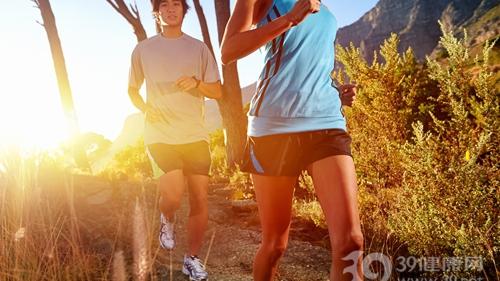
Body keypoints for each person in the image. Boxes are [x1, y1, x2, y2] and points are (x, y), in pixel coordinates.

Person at [221, 0, 363, 280]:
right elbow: (229, 51)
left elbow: (308, 59)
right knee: (275, 245)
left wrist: (334, 90)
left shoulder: (323, 6)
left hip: (326, 122)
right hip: (273, 129)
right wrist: (289, 19)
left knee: (351, 243)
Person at [127, 0, 221, 280]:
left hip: (194, 134)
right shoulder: (143, 49)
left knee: (200, 198)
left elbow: (217, 91)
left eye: (176, 4)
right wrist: (145, 108)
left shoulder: (199, 48)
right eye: (164, 4)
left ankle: (191, 260)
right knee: (173, 193)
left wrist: (197, 83)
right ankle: (167, 218)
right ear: (156, 12)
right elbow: (132, 90)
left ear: (184, 10)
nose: (170, 9)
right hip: (160, 133)